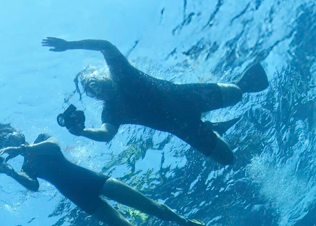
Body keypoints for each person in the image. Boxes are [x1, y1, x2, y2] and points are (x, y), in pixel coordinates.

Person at [43, 35, 268, 164]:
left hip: (189, 97)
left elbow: (105, 45)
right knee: (228, 159)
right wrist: (82, 132)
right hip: (183, 127)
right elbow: (106, 134)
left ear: (102, 75)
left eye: (93, 81)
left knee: (237, 94)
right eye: (90, 90)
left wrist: (69, 45)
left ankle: (217, 118)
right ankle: (212, 128)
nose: (93, 87)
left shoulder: (121, 73)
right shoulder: (111, 111)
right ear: (94, 97)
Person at [0, 126, 198, 226]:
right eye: (1, 142)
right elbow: (33, 186)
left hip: (95, 181)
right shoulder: (26, 168)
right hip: (80, 198)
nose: (6, 141)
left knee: (153, 207)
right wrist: (8, 171)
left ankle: (186, 224)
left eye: (8, 135)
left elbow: (53, 147)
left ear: (20, 133)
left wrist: (23, 149)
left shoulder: (42, 138)